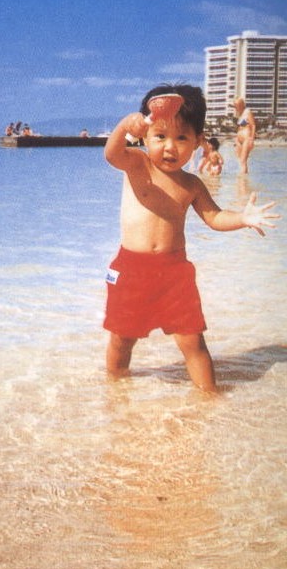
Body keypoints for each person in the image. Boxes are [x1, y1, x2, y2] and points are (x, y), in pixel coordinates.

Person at [103, 84, 279, 393]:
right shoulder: (137, 164)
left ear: (198, 141)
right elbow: (112, 153)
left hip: (175, 274)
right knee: (122, 338)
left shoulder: (192, 184)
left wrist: (242, 218)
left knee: (193, 341)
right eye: (160, 136)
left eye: (181, 138)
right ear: (144, 137)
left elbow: (214, 217)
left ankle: (210, 398)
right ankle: (115, 392)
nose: (170, 147)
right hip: (131, 270)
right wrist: (124, 126)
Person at [233, 97, 256, 174]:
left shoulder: (247, 112)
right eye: (235, 106)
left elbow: (253, 125)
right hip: (239, 139)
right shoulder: (240, 114)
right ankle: (243, 178)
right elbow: (239, 127)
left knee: (243, 160)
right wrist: (236, 139)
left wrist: (252, 139)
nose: (236, 108)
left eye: (237, 105)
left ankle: (243, 179)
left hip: (246, 138)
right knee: (240, 160)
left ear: (242, 104)